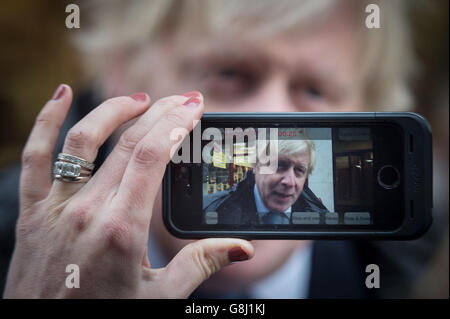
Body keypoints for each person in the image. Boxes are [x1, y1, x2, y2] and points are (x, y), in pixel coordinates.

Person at [1, 0, 446, 298]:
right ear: (122, 73)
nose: (274, 121)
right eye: (230, 72)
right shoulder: (13, 247)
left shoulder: (402, 271)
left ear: (366, 107)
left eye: (315, 89)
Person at [204, 139, 328, 224]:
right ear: (256, 166)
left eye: (299, 170)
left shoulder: (322, 222)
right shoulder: (209, 210)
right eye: (279, 165)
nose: (290, 182)